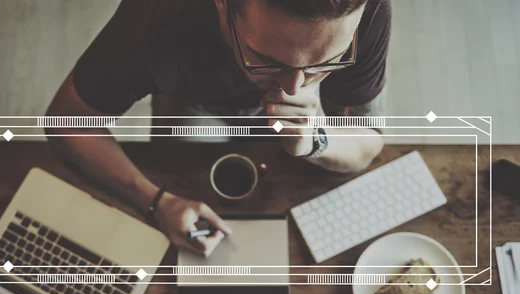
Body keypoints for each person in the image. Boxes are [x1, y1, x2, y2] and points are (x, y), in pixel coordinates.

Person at [45, 0, 391, 257]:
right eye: (267, 60)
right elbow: (66, 122)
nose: (291, 90)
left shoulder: (367, 10)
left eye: (326, 62)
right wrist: (155, 201)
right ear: (222, 7)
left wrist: (318, 139)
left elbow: (368, 144)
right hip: (196, 101)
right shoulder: (154, 17)